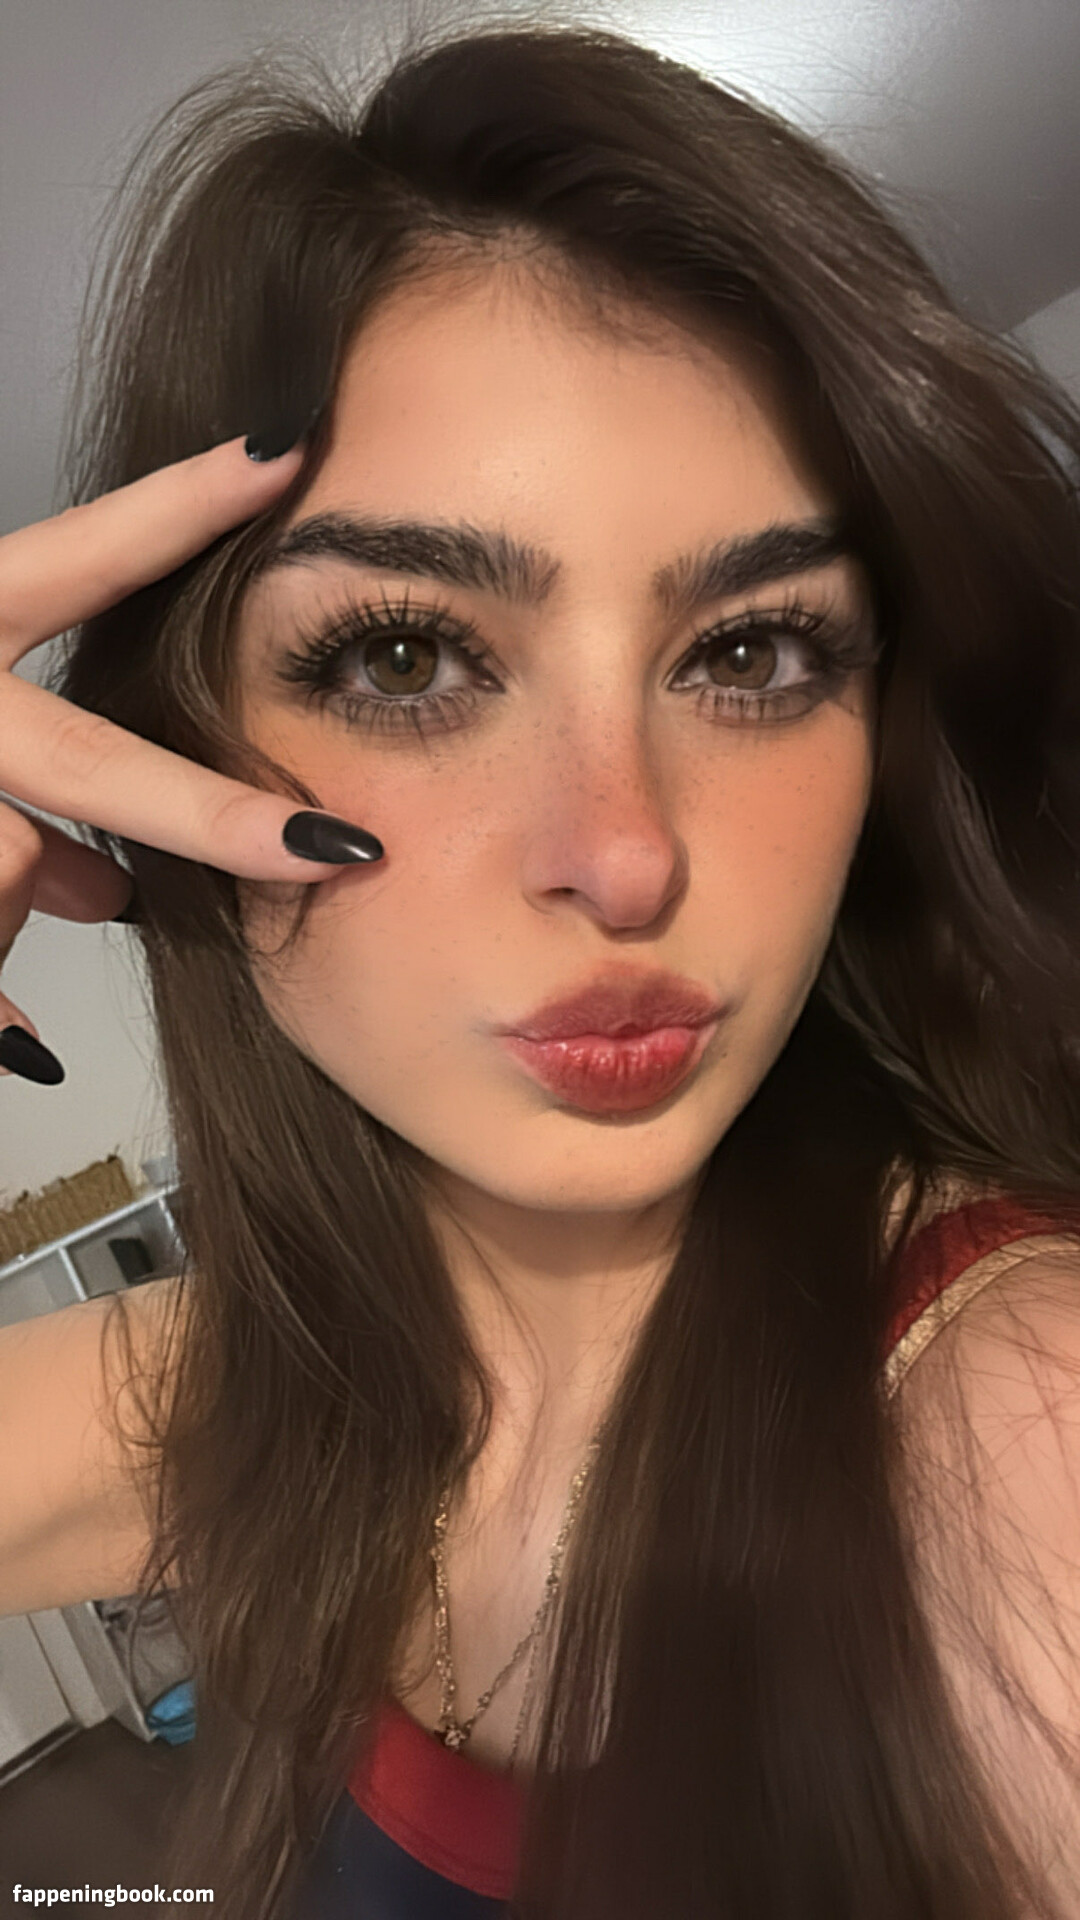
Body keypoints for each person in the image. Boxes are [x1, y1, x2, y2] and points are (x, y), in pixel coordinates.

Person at [2, 19, 1080, 1918]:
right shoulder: (263, 1386)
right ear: (165, 750)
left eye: (751, 651)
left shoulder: (1018, 1431)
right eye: (406, 657)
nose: (626, 850)